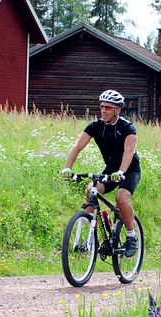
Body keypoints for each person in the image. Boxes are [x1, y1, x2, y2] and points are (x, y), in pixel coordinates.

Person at [61, 89, 141, 257]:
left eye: (108, 108)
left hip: (130, 169)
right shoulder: (95, 127)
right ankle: (89, 229)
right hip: (111, 169)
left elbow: (129, 152)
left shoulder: (127, 128)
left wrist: (121, 172)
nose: (104, 110)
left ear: (117, 110)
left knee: (121, 198)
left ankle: (131, 236)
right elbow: (77, 146)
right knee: (91, 191)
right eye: (102, 107)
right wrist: (67, 168)